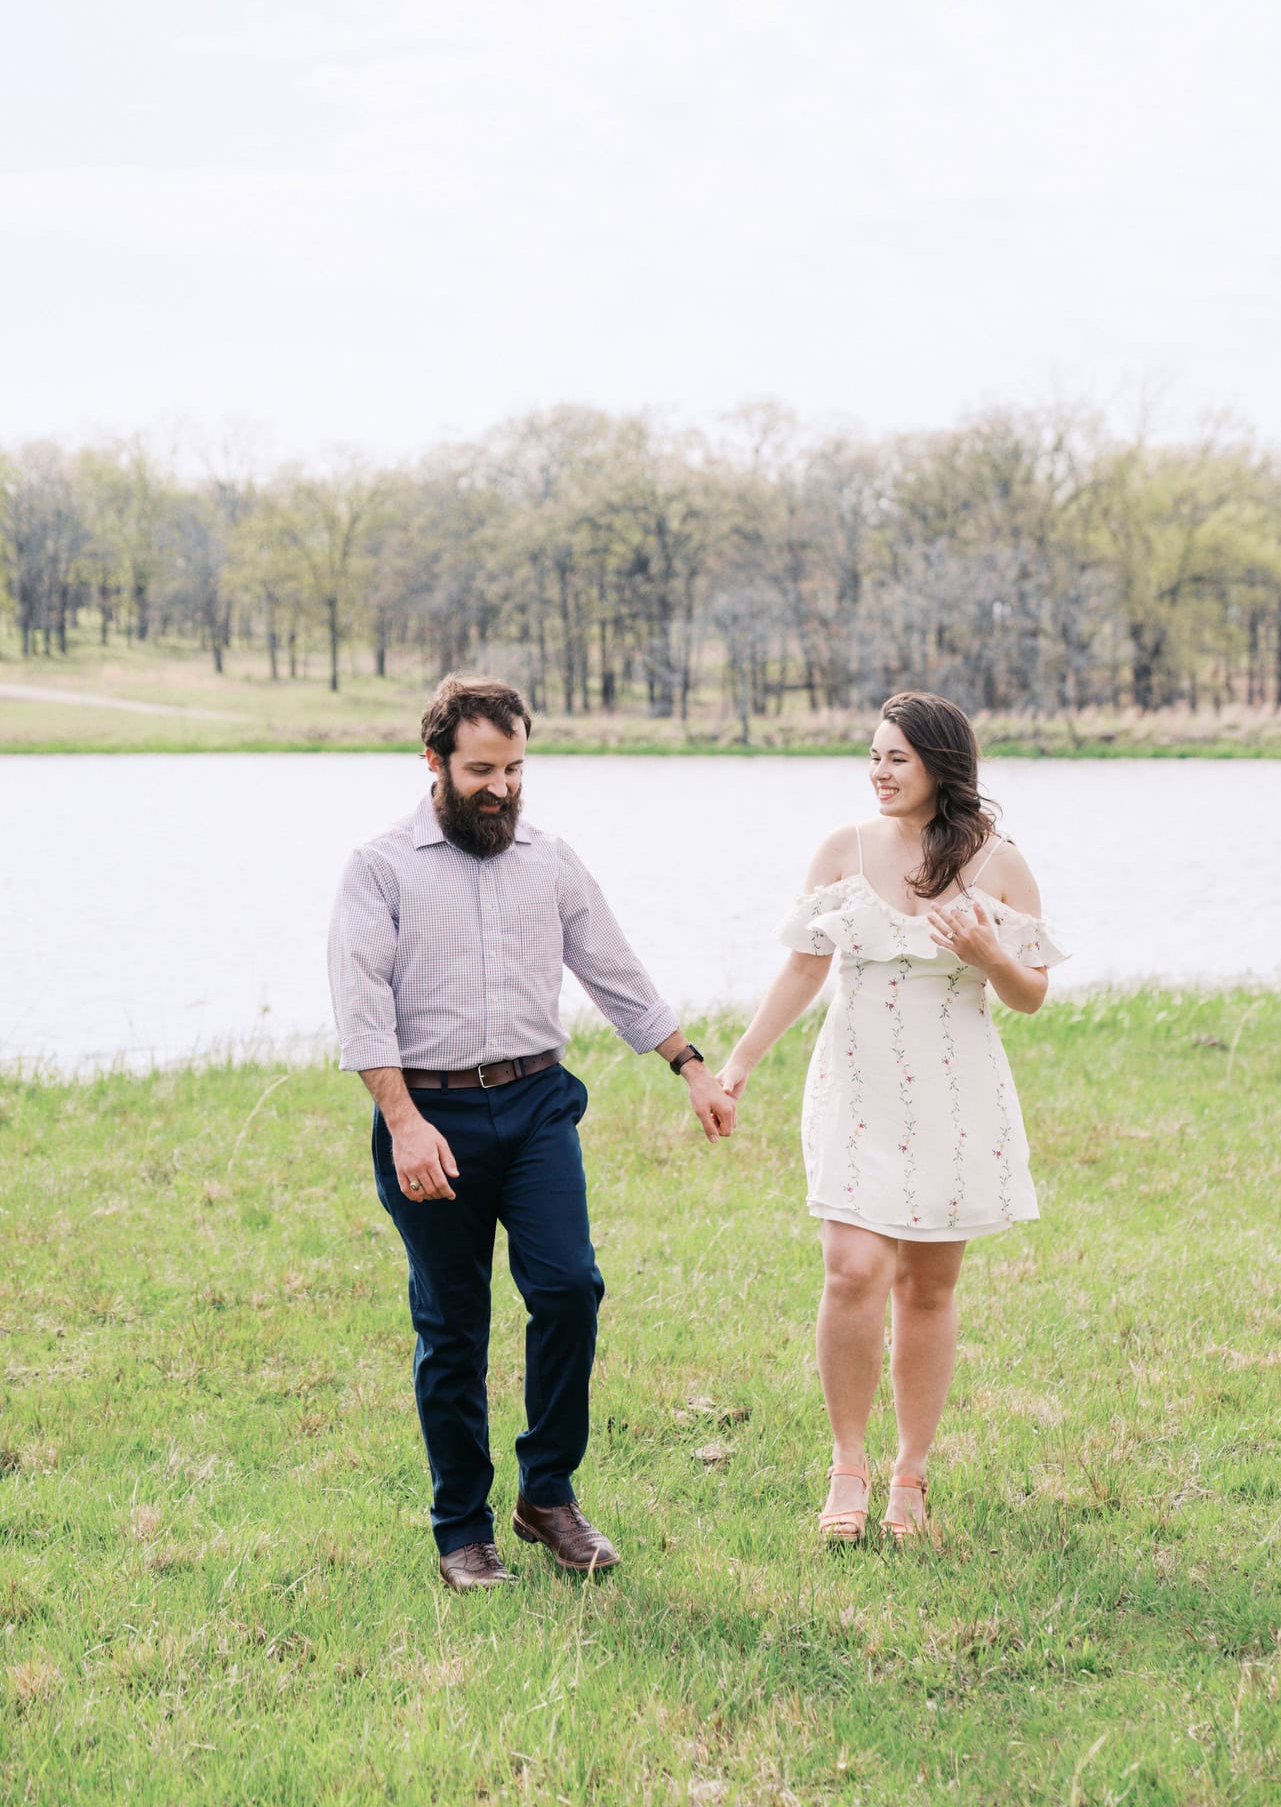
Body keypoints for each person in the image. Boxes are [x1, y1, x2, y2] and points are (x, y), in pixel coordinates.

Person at [327, 676, 735, 1591]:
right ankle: (461, 1531)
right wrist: (403, 1122)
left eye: (514, 768)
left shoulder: (549, 860)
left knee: (569, 1289)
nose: (501, 788)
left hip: (539, 1102)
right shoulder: (380, 867)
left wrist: (689, 1063)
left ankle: (546, 1496)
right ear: (433, 763)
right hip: (431, 1116)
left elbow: (611, 966)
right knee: (454, 1326)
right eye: (481, 769)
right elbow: (360, 1009)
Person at [718, 691, 1066, 1547]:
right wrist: (738, 1064)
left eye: (896, 759)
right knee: (852, 1270)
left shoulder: (1001, 864)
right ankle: (848, 1464)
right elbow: (804, 971)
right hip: (856, 1082)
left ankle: (910, 1472)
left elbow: (1030, 996)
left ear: (941, 766)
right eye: (873, 756)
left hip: (956, 1089)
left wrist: (989, 955)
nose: (878, 772)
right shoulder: (843, 850)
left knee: (927, 1286)